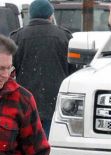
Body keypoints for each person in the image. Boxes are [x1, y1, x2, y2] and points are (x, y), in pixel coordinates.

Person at [10, 0, 73, 138]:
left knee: (28, 140)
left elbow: (8, 68)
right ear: (50, 15)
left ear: (31, 15)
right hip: (57, 100)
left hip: (26, 99)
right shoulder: (64, 36)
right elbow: (73, 70)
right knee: (51, 140)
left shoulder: (17, 37)